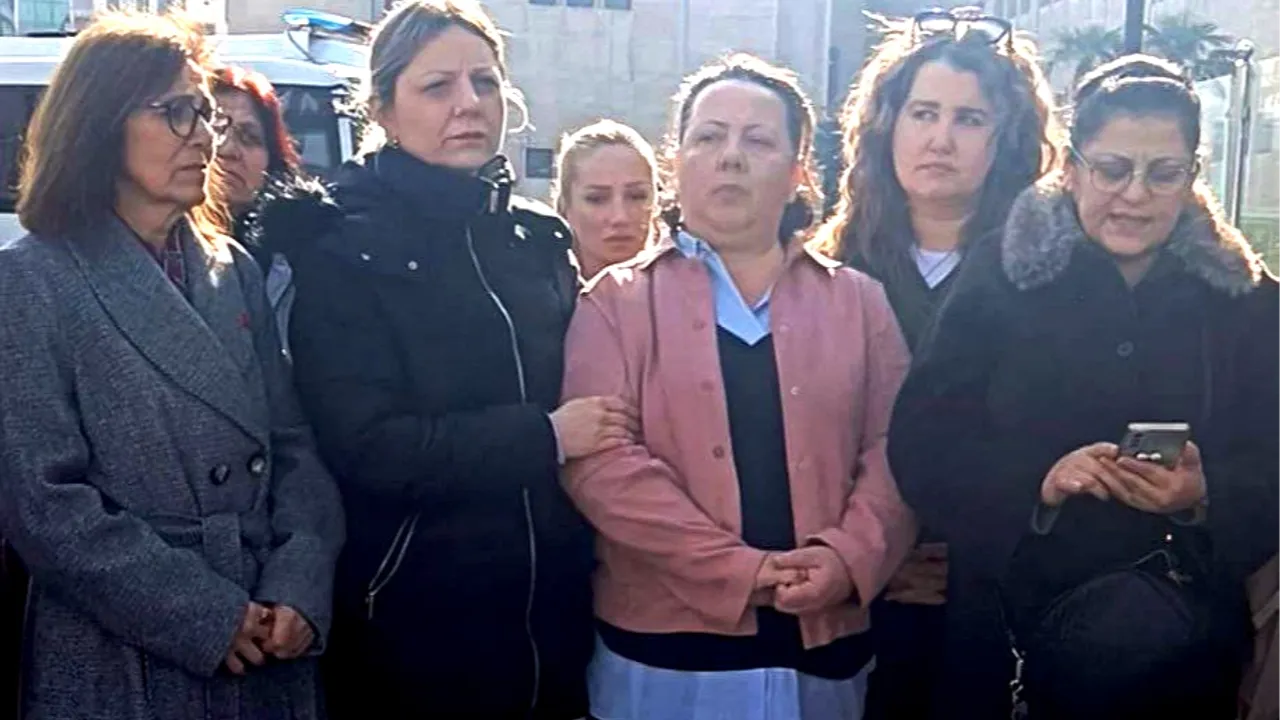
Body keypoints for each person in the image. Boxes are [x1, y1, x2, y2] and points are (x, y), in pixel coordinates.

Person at [888, 55, 1280, 719]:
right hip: (1009, 645)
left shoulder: (1244, 299)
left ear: (1193, 176)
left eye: (1163, 173)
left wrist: (1205, 492)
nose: (1135, 194)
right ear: (1070, 168)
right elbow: (924, 441)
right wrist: (1038, 483)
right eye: (1112, 169)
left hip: (1182, 653)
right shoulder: (1001, 277)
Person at [268, 1, 631, 717]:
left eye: (485, 81)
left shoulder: (536, 239)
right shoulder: (337, 240)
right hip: (413, 623)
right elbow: (367, 445)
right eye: (437, 86)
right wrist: (545, 436)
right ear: (382, 108)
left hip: (552, 617)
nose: (469, 104)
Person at [0, 12, 344, 720]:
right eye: (177, 112)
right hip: (123, 653)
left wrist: (300, 582)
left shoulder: (233, 269)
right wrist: (203, 615)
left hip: (265, 629)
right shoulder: (32, 280)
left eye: (206, 113)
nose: (206, 138)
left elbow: (293, 445)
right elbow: (44, 504)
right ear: (99, 123)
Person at [561, 54, 918, 720]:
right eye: (709, 136)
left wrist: (847, 559)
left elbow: (897, 450)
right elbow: (602, 466)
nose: (731, 156)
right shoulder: (615, 301)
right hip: (663, 653)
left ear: (798, 171)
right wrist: (734, 569)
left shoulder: (860, 302)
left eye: (758, 140)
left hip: (825, 643)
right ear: (676, 162)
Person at [810, 8, 1061, 719]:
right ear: (887, 123)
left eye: (969, 119)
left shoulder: (1048, 275)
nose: (940, 139)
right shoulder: (826, 271)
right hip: (846, 602)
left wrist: (975, 549)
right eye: (923, 112)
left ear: (1007, 138)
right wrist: (874, 556)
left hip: (992, 610)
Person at [211, 65, 307, 349]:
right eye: (216, 131)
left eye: (249, 137)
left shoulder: (297, 263)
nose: (229, 150)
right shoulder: (152, 251)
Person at [552, 119, 658, 279]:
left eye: (636, 196)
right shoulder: (530, 290)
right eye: (597, 199)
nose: (620, 217)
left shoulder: (688, 288)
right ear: (565, 206)